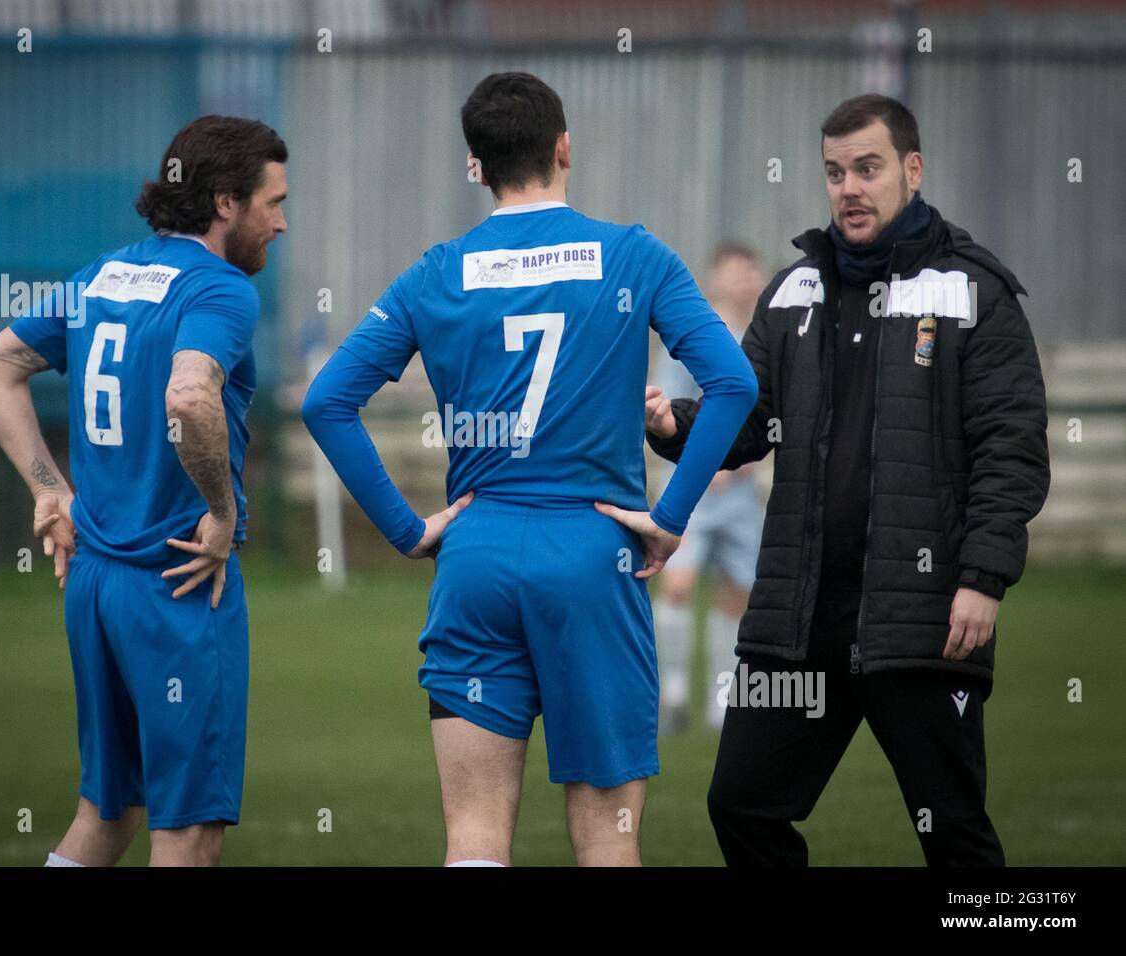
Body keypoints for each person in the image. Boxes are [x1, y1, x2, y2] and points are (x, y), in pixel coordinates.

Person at [302, 72, 756, 866]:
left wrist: (408, 531)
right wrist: (672, 516)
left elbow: (327, 402)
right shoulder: (633, 256)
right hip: (592, 554)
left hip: (475, 556)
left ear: (474, 165)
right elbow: (734, 384)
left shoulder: (435, 273)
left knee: (474, 838)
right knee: (606, 843)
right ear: (564, 148)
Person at [646, 93, 1050, 866]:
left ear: (912, 169)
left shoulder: (974, 292)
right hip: (798, 621)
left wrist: (983, 577)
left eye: (867, 168)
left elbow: (1012, 445)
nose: (848, 188)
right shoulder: (794, 293)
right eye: (834, 172)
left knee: (955, 834)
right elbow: (753, 416)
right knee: (741, 806)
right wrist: (677, 428)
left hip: (921, 619)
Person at [0, 115, 288, 866]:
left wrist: (50, 491)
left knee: (108, 814)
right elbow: (190, 399)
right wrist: (222, 512)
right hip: (175, 584)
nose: (280, 221)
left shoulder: (102, 276)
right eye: (271, 201)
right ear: (225, 202)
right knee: (188, 830)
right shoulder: (222, 290)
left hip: (95, 585)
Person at [647, 242, 767, 733]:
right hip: (691, 488)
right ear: (716, 279)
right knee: (677, 583)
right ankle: (672, 693)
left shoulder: (762, 339)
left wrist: (740, 465)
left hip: (741, 492)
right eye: (734, 273)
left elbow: (770, 416)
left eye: (749, 272)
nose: (743, 282)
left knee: (736, 592)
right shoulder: (692, 335)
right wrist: (706, 464)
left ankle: (723, 701)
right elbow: (665, 406)